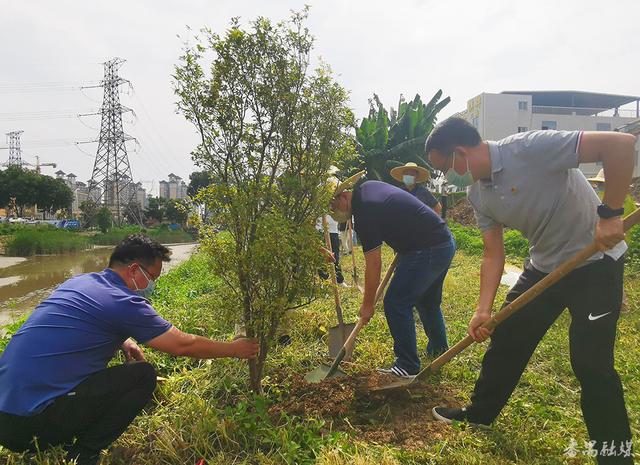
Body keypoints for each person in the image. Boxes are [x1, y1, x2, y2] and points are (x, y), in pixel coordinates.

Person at [425, 117, 635, 464]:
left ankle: (616, 457)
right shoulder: (479, 194)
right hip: (544, 268)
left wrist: (611, 214)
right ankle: (479, 413)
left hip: (596, 264)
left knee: (591, 363)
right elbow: (493, 254)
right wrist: (483, 309)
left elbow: (619, 146)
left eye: (444, 168)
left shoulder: (531, 148)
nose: (447, 177)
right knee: (507, 337)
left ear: (460, 153)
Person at [0, 234, 259, 465]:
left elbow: (77, 323)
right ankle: (83, 454)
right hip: (29, 425)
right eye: (152, 278)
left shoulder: (79, 283)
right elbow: (182, 344)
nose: (152, 285)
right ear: (134, 270)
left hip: (5, 417)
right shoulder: (122, 301)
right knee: (142, 376)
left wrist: (124, 340)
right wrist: (234, 349)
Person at [329, 171, 456, 378]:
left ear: (343, 196)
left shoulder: (363, 212)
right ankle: (439, 349)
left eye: (333, 207)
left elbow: (374, 263)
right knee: (427, 302)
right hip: (443, 242)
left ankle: (407, 365)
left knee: (396, 302)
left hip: (426, 249)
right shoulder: (368, 187)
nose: (334, 213)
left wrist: (368, 304)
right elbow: (398, 214)